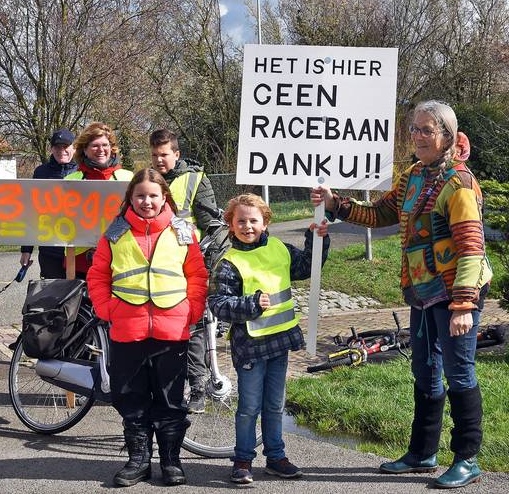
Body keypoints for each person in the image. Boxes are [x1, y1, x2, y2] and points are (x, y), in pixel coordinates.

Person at [312, 100, 492, 489]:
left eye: (427, 130)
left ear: (447, 137)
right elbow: (380, 214)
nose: (418, 136)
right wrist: (335, 204)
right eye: (414, 129)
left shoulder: (459, 183)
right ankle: (422, 453)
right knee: (424, 371)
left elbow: (471, 248)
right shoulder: (413, 176)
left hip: (456, 292)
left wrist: (463, 304)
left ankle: (467, 459)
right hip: (423, 292)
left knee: (460, 373)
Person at [86, 169, 208, 487]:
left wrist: (192, 310)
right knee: (131, 397)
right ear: (131, 198)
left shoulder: (182, 227)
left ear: (164, 196)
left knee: (170, 399)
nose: (147, 201)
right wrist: (107, 309)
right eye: (140, 195)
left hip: (172, 329)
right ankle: (138, 461)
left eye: (153, 195)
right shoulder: (116, 230)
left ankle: (171, 461)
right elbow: (98, 275)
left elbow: (197, 274)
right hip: (127, 329)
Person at [207, 193, 329, 484]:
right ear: (230, 224)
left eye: (253, 220)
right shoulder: (229, 262)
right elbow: (218, 303)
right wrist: (250, 304)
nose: (247, 226)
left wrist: (318, 240)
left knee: (275, 405)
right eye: (241, 221)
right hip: (249, 346)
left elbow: (305, 267)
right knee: (249, 407)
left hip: (280, 341)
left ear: (265, 222)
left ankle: (276, 457)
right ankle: (243, 460)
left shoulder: (279, 248)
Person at [150, 128, 227, 414]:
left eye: (165, 155)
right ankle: (163, 387)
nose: (160, 160)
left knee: (192, 327)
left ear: (176, 154)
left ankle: (197, 387)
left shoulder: (195, 180)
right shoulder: (148, 181)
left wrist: (207, 266)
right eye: (155, 155)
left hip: (189, 265)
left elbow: (212, 227)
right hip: (155, 267)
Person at [64, 122, 134, 279]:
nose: (101, 150)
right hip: (80, 261)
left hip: (121, 256)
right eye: (95, 146)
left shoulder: (129, 178)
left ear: (112, 148)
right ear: (85, 150)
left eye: (105, 145)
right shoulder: (70, 180)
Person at [19, 128, 79, 278]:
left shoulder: (84, 171)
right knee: (52, 295)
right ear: (51, 149)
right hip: (50, 250)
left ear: (74, 148)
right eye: (57, 147)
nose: (61, 151)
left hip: (78, 250)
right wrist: (26, 249)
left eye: (65, 146)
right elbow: (33, 211)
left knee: (79, 297)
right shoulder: (41, 173)